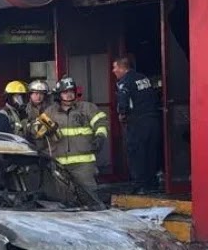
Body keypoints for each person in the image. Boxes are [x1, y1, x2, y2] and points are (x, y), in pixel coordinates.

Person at [44, 76, 110, 192]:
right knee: (63, 197)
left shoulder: (87, 108)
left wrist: (100, 137)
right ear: (59, 94)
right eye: (65, 92)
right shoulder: (50, 112)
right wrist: (42, 129)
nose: (69, 95)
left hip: (84, 165)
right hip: (60, 164)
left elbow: (101, 123)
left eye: (71, 91)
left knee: (89, 195)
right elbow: (35, 130)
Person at [113, 56, 163, 194]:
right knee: (151, 152)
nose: (113, 70)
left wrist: (122, 115)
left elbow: (123, 102)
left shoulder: (125, 82)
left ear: (123, 68)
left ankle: (140, 185)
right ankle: (152, 183)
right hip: (153, 121)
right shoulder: (144, 78)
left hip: (137, 123)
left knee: (136, 153)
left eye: (115, 67)